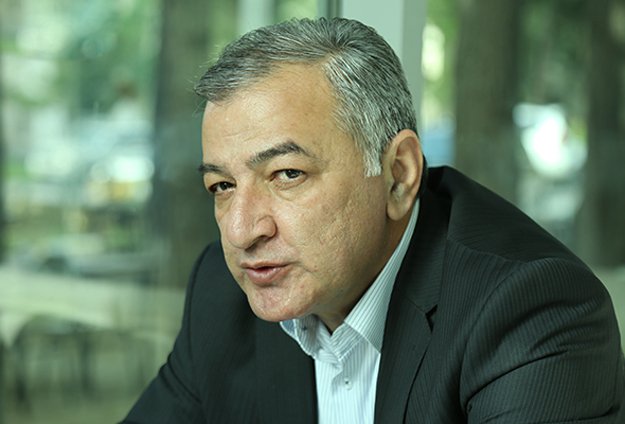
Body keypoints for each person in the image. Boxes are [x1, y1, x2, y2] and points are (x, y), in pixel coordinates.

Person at [122, 17, 625, 423]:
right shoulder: (223, 292)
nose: (240, 231)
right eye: (222, 186)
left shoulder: (530, 309)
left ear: (398, 175)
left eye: (287, 174)